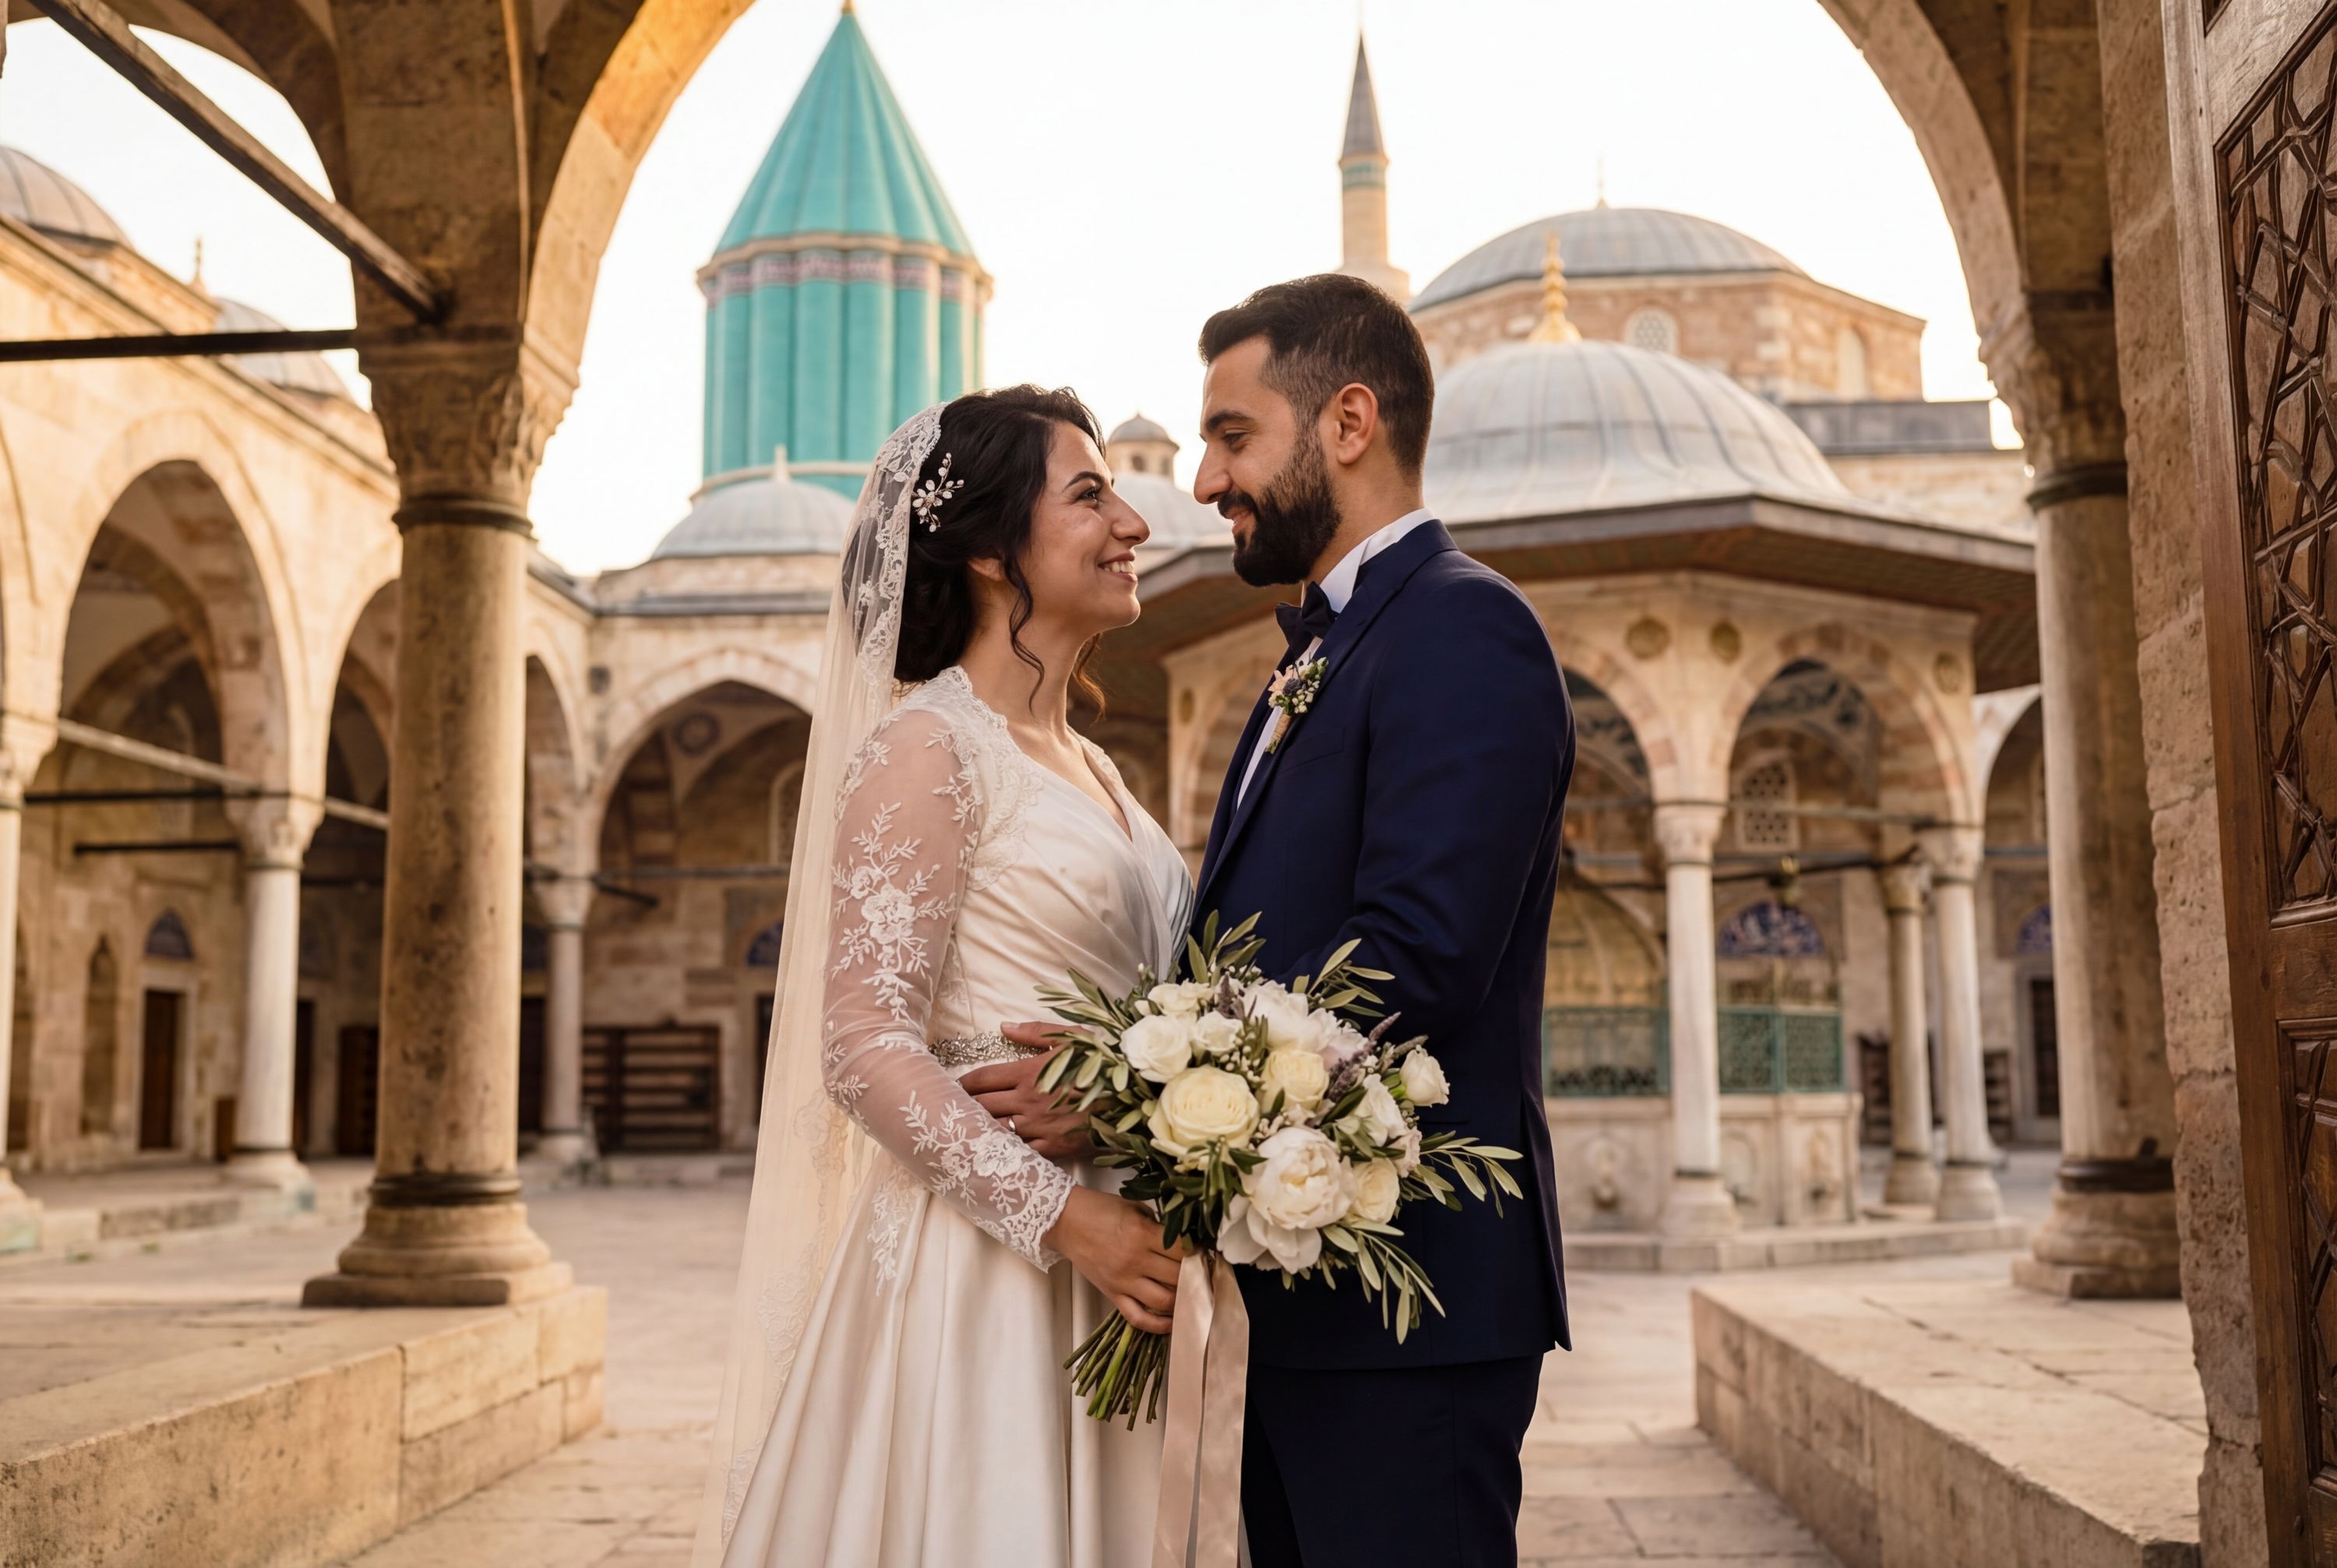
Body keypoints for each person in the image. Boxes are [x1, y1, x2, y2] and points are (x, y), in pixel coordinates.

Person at [982, 275, 1575, 1566]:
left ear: (1348, 422)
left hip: (1406, 1307)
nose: (1203, 478)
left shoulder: (1465, 629)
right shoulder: (1319, 653)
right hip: (1295, 1298)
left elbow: (1411, 956)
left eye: (1233, 435)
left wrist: (1121, 1096)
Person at [693, 387, 1195, 1568]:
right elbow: (864, 1044)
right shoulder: (929, 746)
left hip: (1130, 1254)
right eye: (1089, 495)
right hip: (995, 1278)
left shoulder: (1093, 763)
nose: (1134, 522)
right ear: (984, 550)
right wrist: (1070, 1221)